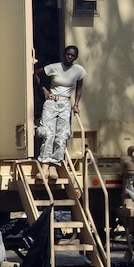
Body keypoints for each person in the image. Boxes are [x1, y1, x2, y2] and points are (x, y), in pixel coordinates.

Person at [33, 45, 86, 179]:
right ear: (64, 55)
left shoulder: (78, 70)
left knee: (61, 136)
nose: (69, 57)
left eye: (72, 55)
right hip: (52, 102)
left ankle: (54, 167)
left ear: (75, 57)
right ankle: (44, 166)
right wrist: (44, 90)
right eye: (67, 54)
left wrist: (76, 104)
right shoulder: (54, 67)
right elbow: (36, 74)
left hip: (65, 103)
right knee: (48, 133)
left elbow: (79, 87)